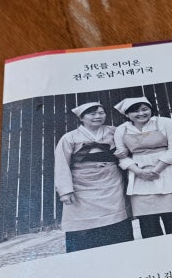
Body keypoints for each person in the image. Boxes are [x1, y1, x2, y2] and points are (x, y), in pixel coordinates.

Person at [54, 101, 134, 252]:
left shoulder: (114, 131)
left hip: (111, 182)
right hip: (82, 185)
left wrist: (124, 152)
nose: (98, 116)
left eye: (101, 113)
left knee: (116, 219)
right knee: (83, 221)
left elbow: (131, 146)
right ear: (81, 118)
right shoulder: (69, 137)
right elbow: (61, 164)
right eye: (92, 114)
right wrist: (65, 191)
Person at [113, 96, 172, 238]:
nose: (141, 114)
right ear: (127, 114)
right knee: (147, 220)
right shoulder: (121, 130)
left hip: (167, 171)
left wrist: (156, 170)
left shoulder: (166, 123)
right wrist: (139, 172)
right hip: (139, 176)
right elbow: (122, 156)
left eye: (145, 109)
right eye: (135, 111)